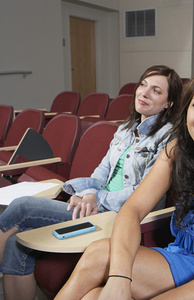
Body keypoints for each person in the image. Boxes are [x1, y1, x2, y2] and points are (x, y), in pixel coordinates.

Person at [55, 67, 194, 300]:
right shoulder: (177, 150)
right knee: (94, 291)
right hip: (179, 259)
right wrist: (119, 280)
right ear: (186, 112)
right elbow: (132, 210)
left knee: (98, 262)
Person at [0, 65, 183, 300]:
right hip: (96, 205)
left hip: (119, 216)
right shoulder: (126, 129)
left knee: (22, 207)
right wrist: (87, 192)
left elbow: (145, 192)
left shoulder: (168, 138)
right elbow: (101, 172)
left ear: (169, 103)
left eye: (156, 90)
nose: (144, 93)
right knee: (16, 243)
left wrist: (97, 197)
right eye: (143, 85)